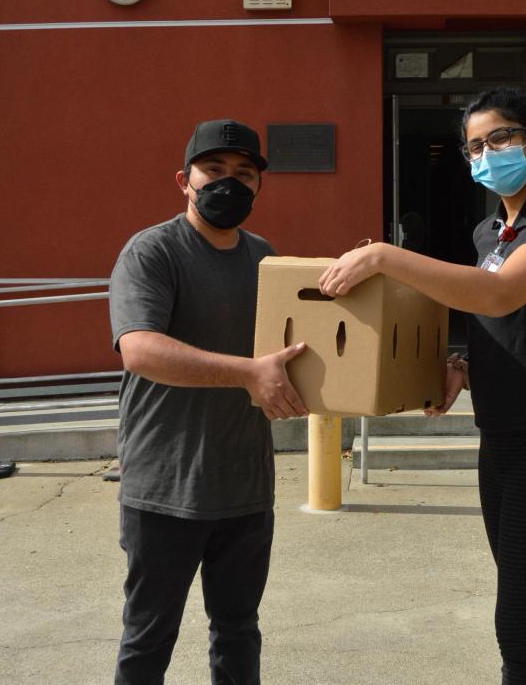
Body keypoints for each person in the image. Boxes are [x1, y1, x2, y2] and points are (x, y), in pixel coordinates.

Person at [319, 88, 526, 685]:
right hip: (502, 439)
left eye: (499, 138)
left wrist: (383, 256)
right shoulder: (488, 234)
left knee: (521, 626)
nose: (485, 152)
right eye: (474, 145)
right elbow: (515, 324)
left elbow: (500, 295)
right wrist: (462, 367)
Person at [109, 118, 308, 685]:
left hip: (244, 486)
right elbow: (140, 350)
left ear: (260, 186)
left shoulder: (264, 257)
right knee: (149, 638)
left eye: (244, 174)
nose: (230, 184)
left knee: (238, 633)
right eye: (214, 171)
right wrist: (248, 374)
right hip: (165, 488)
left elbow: (288, 349)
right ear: (184, 180)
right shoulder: (151, 251)